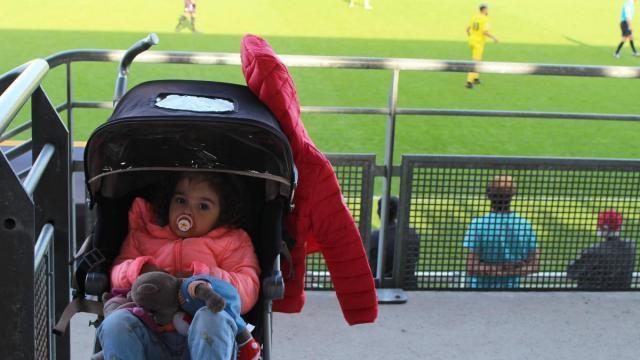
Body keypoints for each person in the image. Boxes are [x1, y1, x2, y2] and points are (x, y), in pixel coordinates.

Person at [97, 172, 261, 360]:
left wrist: (204, 276)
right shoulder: (144, 233)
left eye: (203, 206)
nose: (188, 212)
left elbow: (248, 289)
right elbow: (117, 273)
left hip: (205, 340)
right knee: (116, 323)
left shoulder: (231, 242)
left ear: (222, 213)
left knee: (213, 318)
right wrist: (140, 270)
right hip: (150, 332)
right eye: (181, 201)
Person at [463, 175, 540, 288]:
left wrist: (494, 268)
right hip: (511, 292)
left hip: (479, 291)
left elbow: (471, 266)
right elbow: (534, 265)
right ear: (512, 196)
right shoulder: (525, 225)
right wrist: (510, 269)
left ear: (488, 196)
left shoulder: (477, 224)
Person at [567, 210, 636, 289]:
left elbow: (572, 273)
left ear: (600, 227)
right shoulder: (630, 247)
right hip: (621, 295)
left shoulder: (593, 251)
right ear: (619, 227)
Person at [369, 196, 420, 286]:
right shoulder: (412, 234)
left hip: (380, 287)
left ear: (379, 213)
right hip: (408, 285)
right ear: (397, 213)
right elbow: (415, 258)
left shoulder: (373, 237)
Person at [465, 3, 498, 89]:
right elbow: (485, 32)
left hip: (471, 41)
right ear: (484, 10)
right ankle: (469, 81)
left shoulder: (474, 16)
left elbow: (467, 29)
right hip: (478, 43)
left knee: (477, 60)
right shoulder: (485, 19)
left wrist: (471, 37)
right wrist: (494, 38)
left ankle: (476, 78)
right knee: (475, 62)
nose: (488, 10)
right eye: (487, 9)